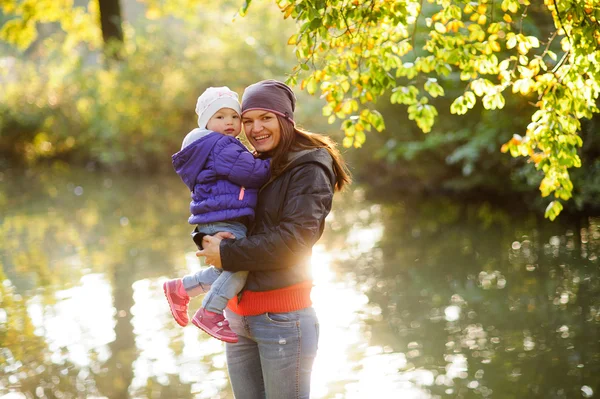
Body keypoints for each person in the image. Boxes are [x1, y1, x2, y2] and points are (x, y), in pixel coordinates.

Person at [197, 80, 351, 398]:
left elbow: (294, 242)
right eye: (248, 120)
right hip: (237, 318)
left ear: (285, 119)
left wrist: (225, 253)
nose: (255, 128)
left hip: (282, 319)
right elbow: (217, 208)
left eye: (265, 118)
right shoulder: (252, 162)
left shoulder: (310, 166)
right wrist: (203, 238)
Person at [163, 86, 271, 343]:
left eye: (234, 116)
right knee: (241, 264)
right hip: (225, 216)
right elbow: (252, 173)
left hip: (219, 215)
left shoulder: (209, 145)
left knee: (229, 267)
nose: (230, 123)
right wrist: (273, 161)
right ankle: (210, 313)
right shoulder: (220, 145)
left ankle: (181, 288)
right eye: (220, 117)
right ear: (207, 122)